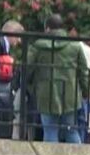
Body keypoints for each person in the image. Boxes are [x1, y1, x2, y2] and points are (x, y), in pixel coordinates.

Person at [29, 17, 81, 145]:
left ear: (47, 29)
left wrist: (30, 87)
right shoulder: (75, 47)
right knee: (71, 131)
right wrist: (85, 91)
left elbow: (28, 68)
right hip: (70, 94)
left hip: (46, 93)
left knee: (50, 131)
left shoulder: (38, 46)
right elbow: (84, 71)